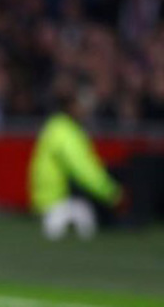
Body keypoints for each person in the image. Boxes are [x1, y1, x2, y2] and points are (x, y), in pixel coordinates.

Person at [29, 88, 124, 240]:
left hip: (47, 201)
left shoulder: (55, 126)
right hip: (58, 203)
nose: (86, 110)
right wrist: (112, 194)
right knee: (89, 225)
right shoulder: (65, 132)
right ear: (72, 106)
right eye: (82, 105)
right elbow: (83, 170)